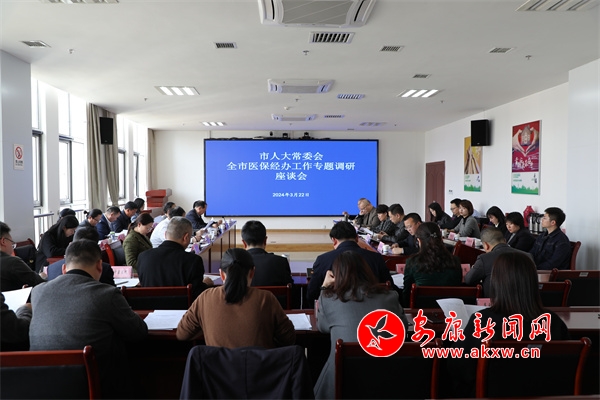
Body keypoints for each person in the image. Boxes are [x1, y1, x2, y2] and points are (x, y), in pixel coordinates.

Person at [29, 239, 148, 398]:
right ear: (100, 266)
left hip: (43, 386)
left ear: (64, 269)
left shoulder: (37, 292)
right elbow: (138, 332)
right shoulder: (106, 294)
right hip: (93, 387)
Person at [450, 251, 569, 397]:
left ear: (496, 283)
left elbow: (460, 368)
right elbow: (566, 367)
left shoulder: (482, 321)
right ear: (532, 282)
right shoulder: (553, 322)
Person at [314, 251, 408, 399]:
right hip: (388, 379)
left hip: (344, 381)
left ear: (336, 274)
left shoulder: (330, 299)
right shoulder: (390, 296)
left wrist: (324, 287)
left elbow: (322, 326)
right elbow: (403, 327)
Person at [176, 248, 295, 349]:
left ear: (221, 274)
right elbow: (289, 338)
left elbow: (182, 334)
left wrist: (207, 325)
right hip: (258, 369)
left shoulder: (205, 298)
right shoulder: (266, 298)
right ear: (252, 273)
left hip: (218, 369)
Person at [307, 221, 394, 302]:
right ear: (357, 238)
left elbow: (313, 294)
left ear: (334, 240)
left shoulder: (323, 260)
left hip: (335, 308)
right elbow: (389, 287)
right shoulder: (376, 258)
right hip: (373, 307)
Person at [137, 217, 213, 299]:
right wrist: (206, 284)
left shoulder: (143, 257)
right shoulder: (193, 261)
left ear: (165, 234)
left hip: (149, 306)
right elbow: (197, 294)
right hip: (183, 307)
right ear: (186, 237)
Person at [402, 222, 462, 306]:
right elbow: (457, 287)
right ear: (441, 238)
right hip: (449, 309)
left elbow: (407, 293)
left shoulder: (412, 262)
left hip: (420, 310)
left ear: (419, 240)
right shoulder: (455, 260)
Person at [464, 227, 533, 297]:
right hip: (524, 302)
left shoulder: (484, 259)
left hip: (494, 301)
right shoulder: (527, 256)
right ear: (505, 241)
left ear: (486, 245)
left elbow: (468, 280)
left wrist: (473, 268)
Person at [46, 226, 115, 286]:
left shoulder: (52, 268)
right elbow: (113, 294)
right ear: (97, 247)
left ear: (71, 244)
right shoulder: (104, 269)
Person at [241, 220, 293, 287]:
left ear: (244, 243)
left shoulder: (236, 265)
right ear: (265, 240)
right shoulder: (281, 262)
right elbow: (291, 290)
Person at [1, 221, 45, 291]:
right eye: (11, 242)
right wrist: (42, 276)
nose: (12, 246)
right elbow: (40, 283)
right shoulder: (13, 262)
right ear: (3, 241)